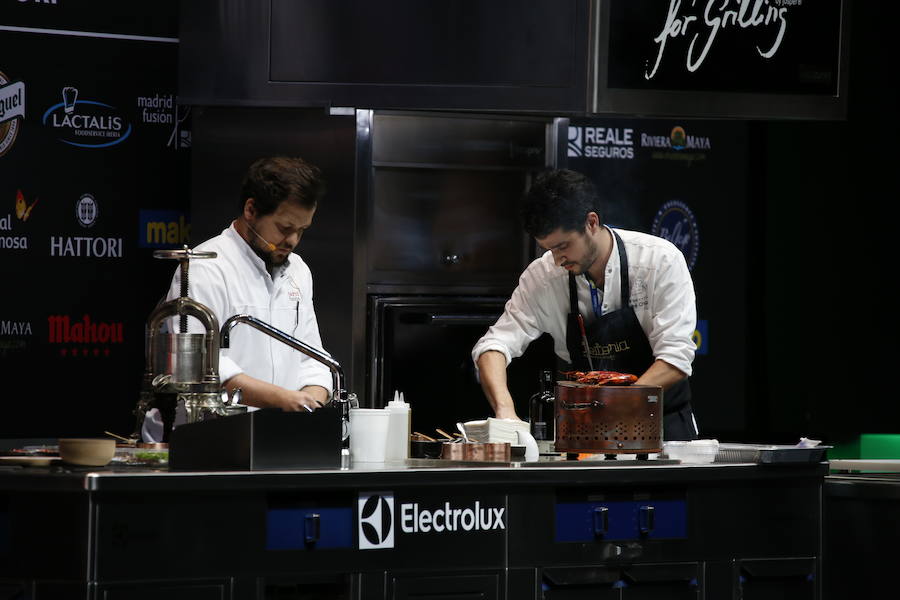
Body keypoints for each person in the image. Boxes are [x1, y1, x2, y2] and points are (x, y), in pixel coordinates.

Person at [471, 168, 698, 440]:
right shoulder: (543, 277)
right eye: (548, 249)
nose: (557, 260)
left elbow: (675, 359)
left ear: (591, 223)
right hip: (585, 431)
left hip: (662, 426)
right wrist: (505, 410)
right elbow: (493, 346)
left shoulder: (659, 261)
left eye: (563, 246)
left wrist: (616, 407)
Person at [160, 156, 333, 419]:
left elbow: (312, 358)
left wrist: (312, 402)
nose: (292, 241)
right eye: (284, 228)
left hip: (277, 433)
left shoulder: (298, 270)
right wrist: (282, 400)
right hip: (210, 433)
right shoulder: (205, 267)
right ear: (251, 209)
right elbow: (199, 366)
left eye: (302, 230)